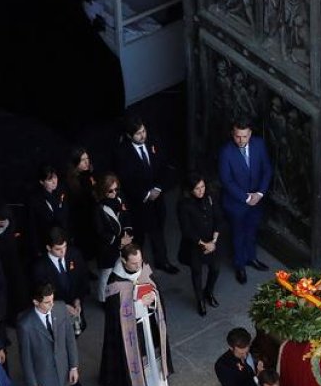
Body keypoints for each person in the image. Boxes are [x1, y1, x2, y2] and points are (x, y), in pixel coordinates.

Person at [99, 244, 172, 386]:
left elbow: (155, 289)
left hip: (149, 325)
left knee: (152, 357)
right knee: (134, 360)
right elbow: (115, 314)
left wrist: (153, 296)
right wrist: (139, 305)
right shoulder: (115, 281)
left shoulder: (143, 268)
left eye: (140, 261)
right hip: (129, 333)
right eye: (134, 263)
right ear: (124, 261)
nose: (138, 266)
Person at [114, 115, 180, 274]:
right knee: (139, 236)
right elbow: (125, 179)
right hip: (138, 203)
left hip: (157, 198)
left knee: (158, 230)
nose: (143, 135)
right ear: (130, 135)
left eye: (143, 131)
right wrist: (145, 194)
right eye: (138, 133)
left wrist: (158, 188)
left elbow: (164, 167)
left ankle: (162, 261)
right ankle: (136, 267)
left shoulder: (153, 142)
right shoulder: (122, 153)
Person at [218, 118, 272, 284]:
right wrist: (247, 197)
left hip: (257, 199)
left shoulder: (259, 144)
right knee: (238, 234)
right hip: (236, 202)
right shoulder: (226, 152)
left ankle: (251, 258)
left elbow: (267, 170)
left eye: (244, 136)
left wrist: (260, 194)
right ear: (233, 134)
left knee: (252, 230)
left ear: (250, 134)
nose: (240, 140)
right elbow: (226, 181)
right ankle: (239, 265)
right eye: (237, 136)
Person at [29, 227, 90, 348]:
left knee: (74, 338)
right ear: (48, 247)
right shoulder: (39, 267)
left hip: (75, 306)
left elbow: (82, 279)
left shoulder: (74, 254)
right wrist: (63, 306)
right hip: (54, 312)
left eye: (65, 247)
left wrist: (78, 299)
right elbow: (40, 293)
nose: (63, 252)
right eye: (58, 249)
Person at [177, 172, 223, 316]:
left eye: (202, 187)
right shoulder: (183, 204)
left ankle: (208, 292)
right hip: (195, 244)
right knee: (196, 272)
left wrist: (213, 242)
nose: (201, 190)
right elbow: (186, 229)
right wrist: (204, 244)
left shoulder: (210, 197)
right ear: (190, 189)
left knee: (215, 269)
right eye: (197, 188)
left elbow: (218, 218)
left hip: (212, 241)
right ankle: (200, 300)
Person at [91, 173, 133, 302]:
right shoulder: (98, 208)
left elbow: (126, 217)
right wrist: (119, 241)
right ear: (103, 191)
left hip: (121, 242)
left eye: (116, 189)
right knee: (107, 274)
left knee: (122, 269)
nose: (115, 192)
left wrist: (127, 233)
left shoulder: (119, 200)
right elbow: (100, 231)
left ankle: (121, 294)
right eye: (111, 190)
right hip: (106, 247)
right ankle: (103, 299)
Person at [25, 164, 70, 256]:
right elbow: (32, 225)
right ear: (42, 182)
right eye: (49, 180)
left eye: (55, 177)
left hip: (63, 239)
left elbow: (67, 216)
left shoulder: (61, 191)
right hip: (45, 242)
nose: (54, 182)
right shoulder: (35, 200)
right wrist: (36, 249)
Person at [65, 146, 97, 260]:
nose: (86, 162)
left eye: (87, 158)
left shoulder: (89, 174)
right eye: (82, 160)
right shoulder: (72, 181)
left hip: (93, 215)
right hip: (80, 220)